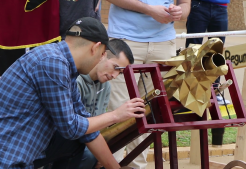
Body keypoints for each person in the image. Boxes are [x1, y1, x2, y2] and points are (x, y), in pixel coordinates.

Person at [0, 17, 145, 169]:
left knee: (75, 143)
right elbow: (71, 127)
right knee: (73, 138)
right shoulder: (52, 62)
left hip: (21, 153)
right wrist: (115, 115)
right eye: (103, 54)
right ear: (95, 48)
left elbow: (87, 129)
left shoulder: (65, 67)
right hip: (8, 159)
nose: (102, 59)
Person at [106, 0, 190, 168]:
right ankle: (109, 164)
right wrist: (149, 10)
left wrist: (179, 12)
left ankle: (137, 166)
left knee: (150, 111)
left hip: (164, 43)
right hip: (125, 39)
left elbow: (186, 4)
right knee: (117, 108)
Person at [76, 39, 134, 169]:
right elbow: (75, 127)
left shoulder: (106, 87)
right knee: (91, 155)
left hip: (88, 141)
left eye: (120, 72)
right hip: (69, 143)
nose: (115, 76)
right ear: (103, 54)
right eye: (115, 68)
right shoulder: (76, 81)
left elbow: (98, 129)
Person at [185, 0, 230, 105]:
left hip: (221, 7)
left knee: (217, 50)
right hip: (199, 5)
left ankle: (214, 92)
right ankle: (189, 91)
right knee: (193, 49)